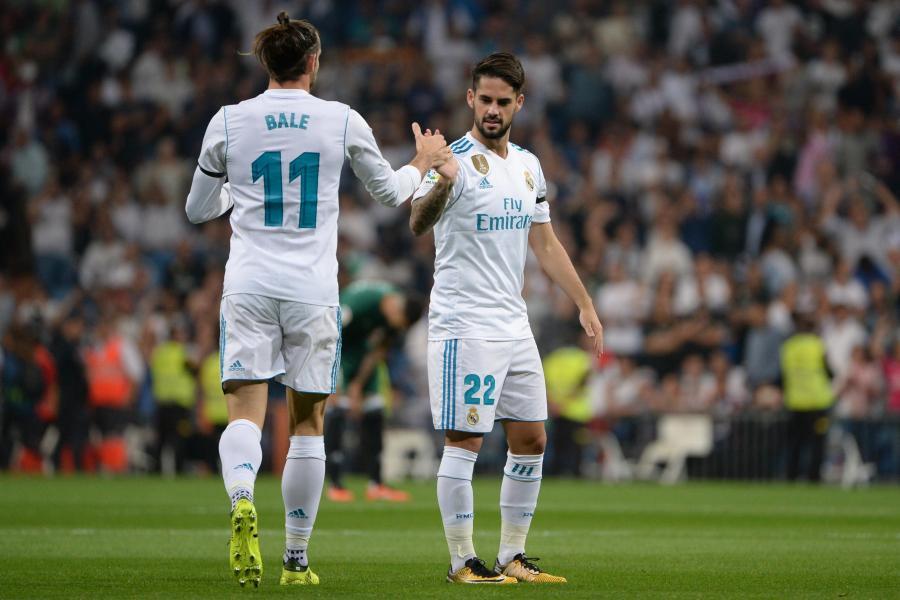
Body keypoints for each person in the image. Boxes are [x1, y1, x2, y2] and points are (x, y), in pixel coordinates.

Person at [184, 13, 451, 588]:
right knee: (308, 424)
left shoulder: (228, 121)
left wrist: (241, 193)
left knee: (245, 414)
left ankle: (241, 497)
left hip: (249, 285)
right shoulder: (341, 119)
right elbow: (391, 193)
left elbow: (197, 209)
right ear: (313, 62)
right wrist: (423, 163)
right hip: (312, 291)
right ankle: (296, 560)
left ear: (265, 62)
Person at [409, 53, 603, 584]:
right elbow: (417, 221)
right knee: (465, 442)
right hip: (464, 324)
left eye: (503, 101)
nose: (492, 110)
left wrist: (584, 302)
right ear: (471, 99)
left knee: (533, 438)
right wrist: (443, 182)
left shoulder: (528, 165)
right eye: (485, 100)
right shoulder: (451, 159)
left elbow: (546, 243)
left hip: (514, 325)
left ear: (519, 103)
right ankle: (462, 561)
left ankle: (512, 556)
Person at [324, 280, 424, 502]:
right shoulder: (360, 303)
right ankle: (335, 484)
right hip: (338, 350)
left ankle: (376, 484)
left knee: (375, 409)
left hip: (362, 352)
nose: (398, 328)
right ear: (396, 308)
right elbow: (330, 335)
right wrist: (334, 383)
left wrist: (358, 385)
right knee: (338, 409)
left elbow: (378, 351)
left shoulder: (395, 318)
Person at [780, 311, 834, 482]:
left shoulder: (789, 346)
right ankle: (813, 477)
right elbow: (829, 372)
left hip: (795, 401)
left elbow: (783, 374)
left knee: (795, 443)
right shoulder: (817, 344)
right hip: (817, 402)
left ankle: (791, 476)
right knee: (817, 443)